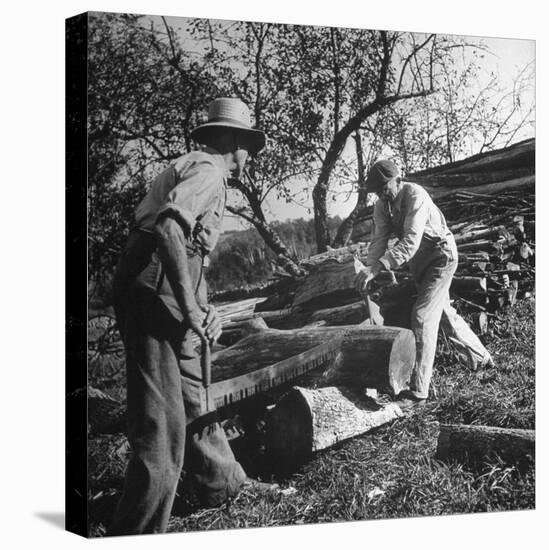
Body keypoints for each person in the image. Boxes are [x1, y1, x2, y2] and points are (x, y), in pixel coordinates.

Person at [108, 98, 276, 536]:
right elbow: (167, 231)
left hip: (162, 294)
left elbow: (187, 252)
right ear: (234, 141)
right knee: (161, 427)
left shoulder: (196, 167)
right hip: (153, 298)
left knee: (193, 393)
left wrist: (203, 309)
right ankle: (137, 531)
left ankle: (224, 485)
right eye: (248, 149)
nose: (249, 159)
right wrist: (188, 307)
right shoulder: (210, 170)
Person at [355, 159, 493, 409]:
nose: (381, 193)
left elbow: (410, 241)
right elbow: (378, 241)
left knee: (421, 316)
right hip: (420, 262)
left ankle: (418, 391)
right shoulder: (381, 206)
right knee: (442, 313)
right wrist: (369, 269)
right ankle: (481, 358)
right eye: (376, 190)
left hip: (441, 256)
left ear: (398, 179)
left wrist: (378, 267)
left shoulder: (415, 195)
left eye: (384, 186)